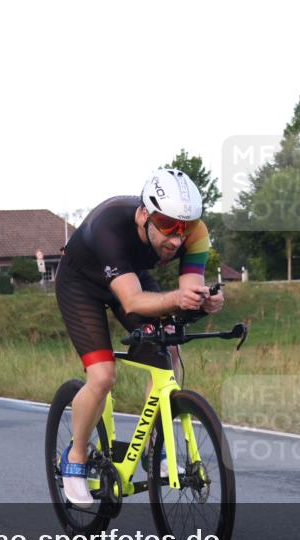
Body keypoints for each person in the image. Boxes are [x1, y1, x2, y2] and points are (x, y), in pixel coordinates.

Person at [55, 168, 224, 507]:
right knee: (103, 375)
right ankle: (75, 457)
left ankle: (153, 449)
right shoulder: (109, 226)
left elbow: (188, 292)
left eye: (186, 227)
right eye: (167, 225)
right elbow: (132, 302)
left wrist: (205, 301)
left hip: (131, 275)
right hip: (81, 285)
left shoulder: (196, 234)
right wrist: (177, 299)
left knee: (167, 352)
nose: (176, 239)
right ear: (144, 215)